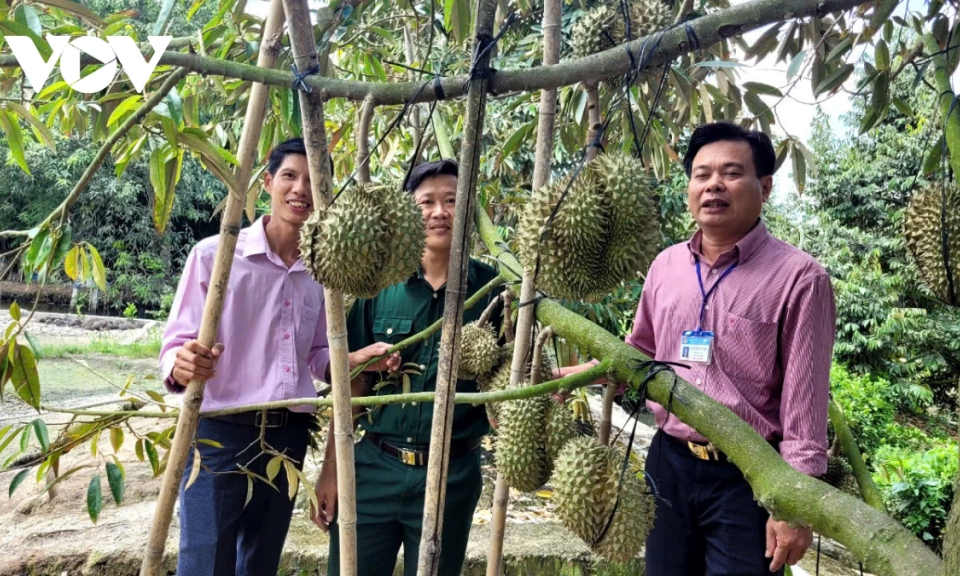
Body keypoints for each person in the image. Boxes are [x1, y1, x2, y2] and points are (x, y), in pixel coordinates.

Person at [557, 121, 836, 575]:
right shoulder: (666, 264)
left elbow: (804, 404)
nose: (713, 186)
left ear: (764, 186)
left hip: (749, 477)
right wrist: (588, 372)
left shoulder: (800, 278)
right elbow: (639, 354)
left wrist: (795, 506)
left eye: (731, 173)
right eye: (701, 174)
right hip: (668, 463)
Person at [159, 138, 391, 575]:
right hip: (219, 433)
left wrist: (355, 360)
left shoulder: (325, 272)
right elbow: (174, 346)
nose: (300, 189)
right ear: (267, 182)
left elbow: (318, 355)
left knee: (260, 563)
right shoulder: (215, 257)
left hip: (286, 438)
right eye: (289, 176)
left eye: (312, 181)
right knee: (204, 563)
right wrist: (182, 363)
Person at [313, 159, 504, 576]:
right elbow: (355, 384)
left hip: (452, 474)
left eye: (452, 201)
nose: (440, 212)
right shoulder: (376, 286)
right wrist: (331, 470)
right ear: (408, 212)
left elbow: (513, 377)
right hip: (373, 466)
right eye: (427, 202)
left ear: (469, 209)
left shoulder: (496, 290)